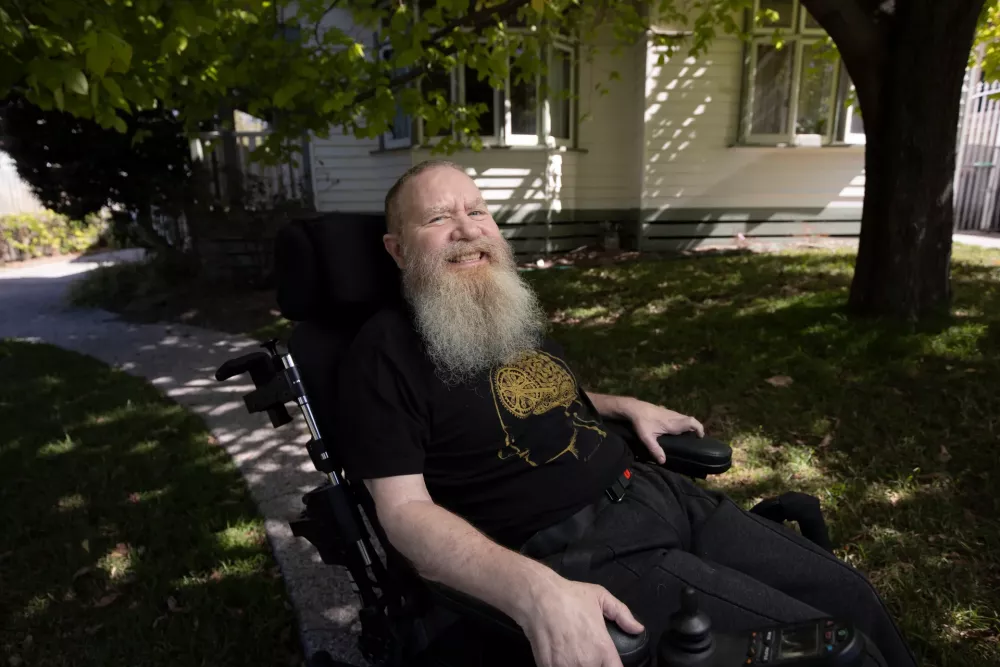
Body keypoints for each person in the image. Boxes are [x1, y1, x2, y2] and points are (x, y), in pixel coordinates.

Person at [335, 160, 917, 667]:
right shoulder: (384, 353)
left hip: (657, 493)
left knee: (852, 597)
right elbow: (405, 511)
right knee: (833, 650)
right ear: (398, 249)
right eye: (439, 218)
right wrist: (534, 591)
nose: (467, 229)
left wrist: (622, 405)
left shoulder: (496, 308)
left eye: (477, 211)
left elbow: (532, 396)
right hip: (581, 552)